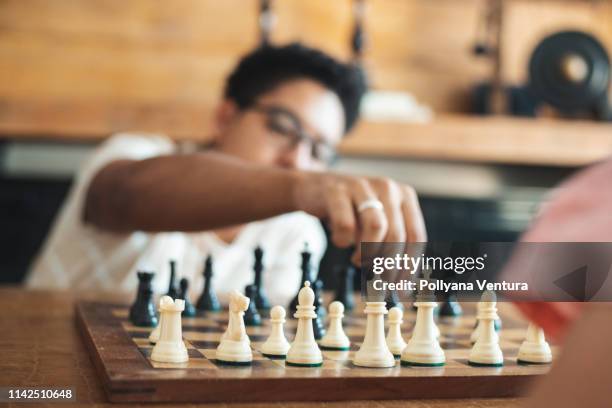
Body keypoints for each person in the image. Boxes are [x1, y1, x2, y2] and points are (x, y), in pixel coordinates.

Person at [27, 43, 426, 305]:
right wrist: (305, 188)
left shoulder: (296, 233)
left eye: (320, 151)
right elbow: (126, 196)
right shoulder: (134, 156)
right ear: (225, 116)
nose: (298, 160)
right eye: (284, 128)